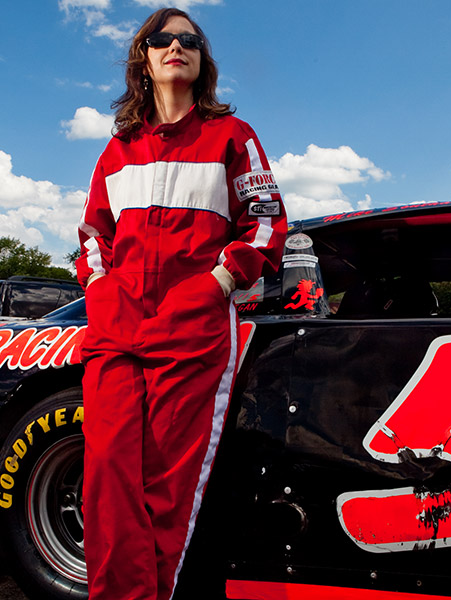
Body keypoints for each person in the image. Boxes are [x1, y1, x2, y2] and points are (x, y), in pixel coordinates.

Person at [75, 7, 287, 599]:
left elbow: (266, 226)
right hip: (116, 330)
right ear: (144, 57)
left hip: (192, 332)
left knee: (170, 489)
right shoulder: (118, 148)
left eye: (190, 40)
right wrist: (101, 292)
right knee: (107, 478)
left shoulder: (233, 136)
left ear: (202, 61)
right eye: (162, 38)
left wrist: (215, 285)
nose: (177, 46)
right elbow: (94, 238)